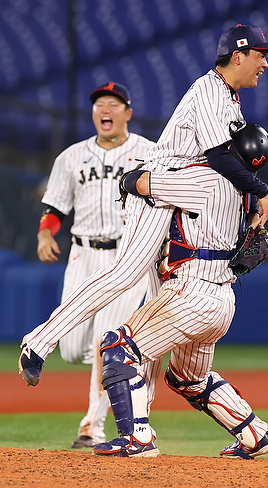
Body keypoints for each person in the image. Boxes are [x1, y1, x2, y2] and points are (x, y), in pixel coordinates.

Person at [19, 24, 268, 458]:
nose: (266, 62)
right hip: (160, 185)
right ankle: (40, 342)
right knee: (125, 275)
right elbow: (218, 156)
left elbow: (221, 159)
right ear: (238, 55)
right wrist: (259, 190)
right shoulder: (209, 89)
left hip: (176, 197)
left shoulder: (230, 100)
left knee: (147, 332)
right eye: (261, 54)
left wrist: (251, 189)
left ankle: (139, 427)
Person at [35, 81, 156, 448]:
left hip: (127, 257)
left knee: (108, 340)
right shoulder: (71, 157)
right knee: (71, 347)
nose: (105, 109)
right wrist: (45, 233)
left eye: (114, 104)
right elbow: (55, 207)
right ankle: (122, 368)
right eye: (100, 103)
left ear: (128, 113)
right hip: (82, 255)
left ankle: (92, 425)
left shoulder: (149, 153)